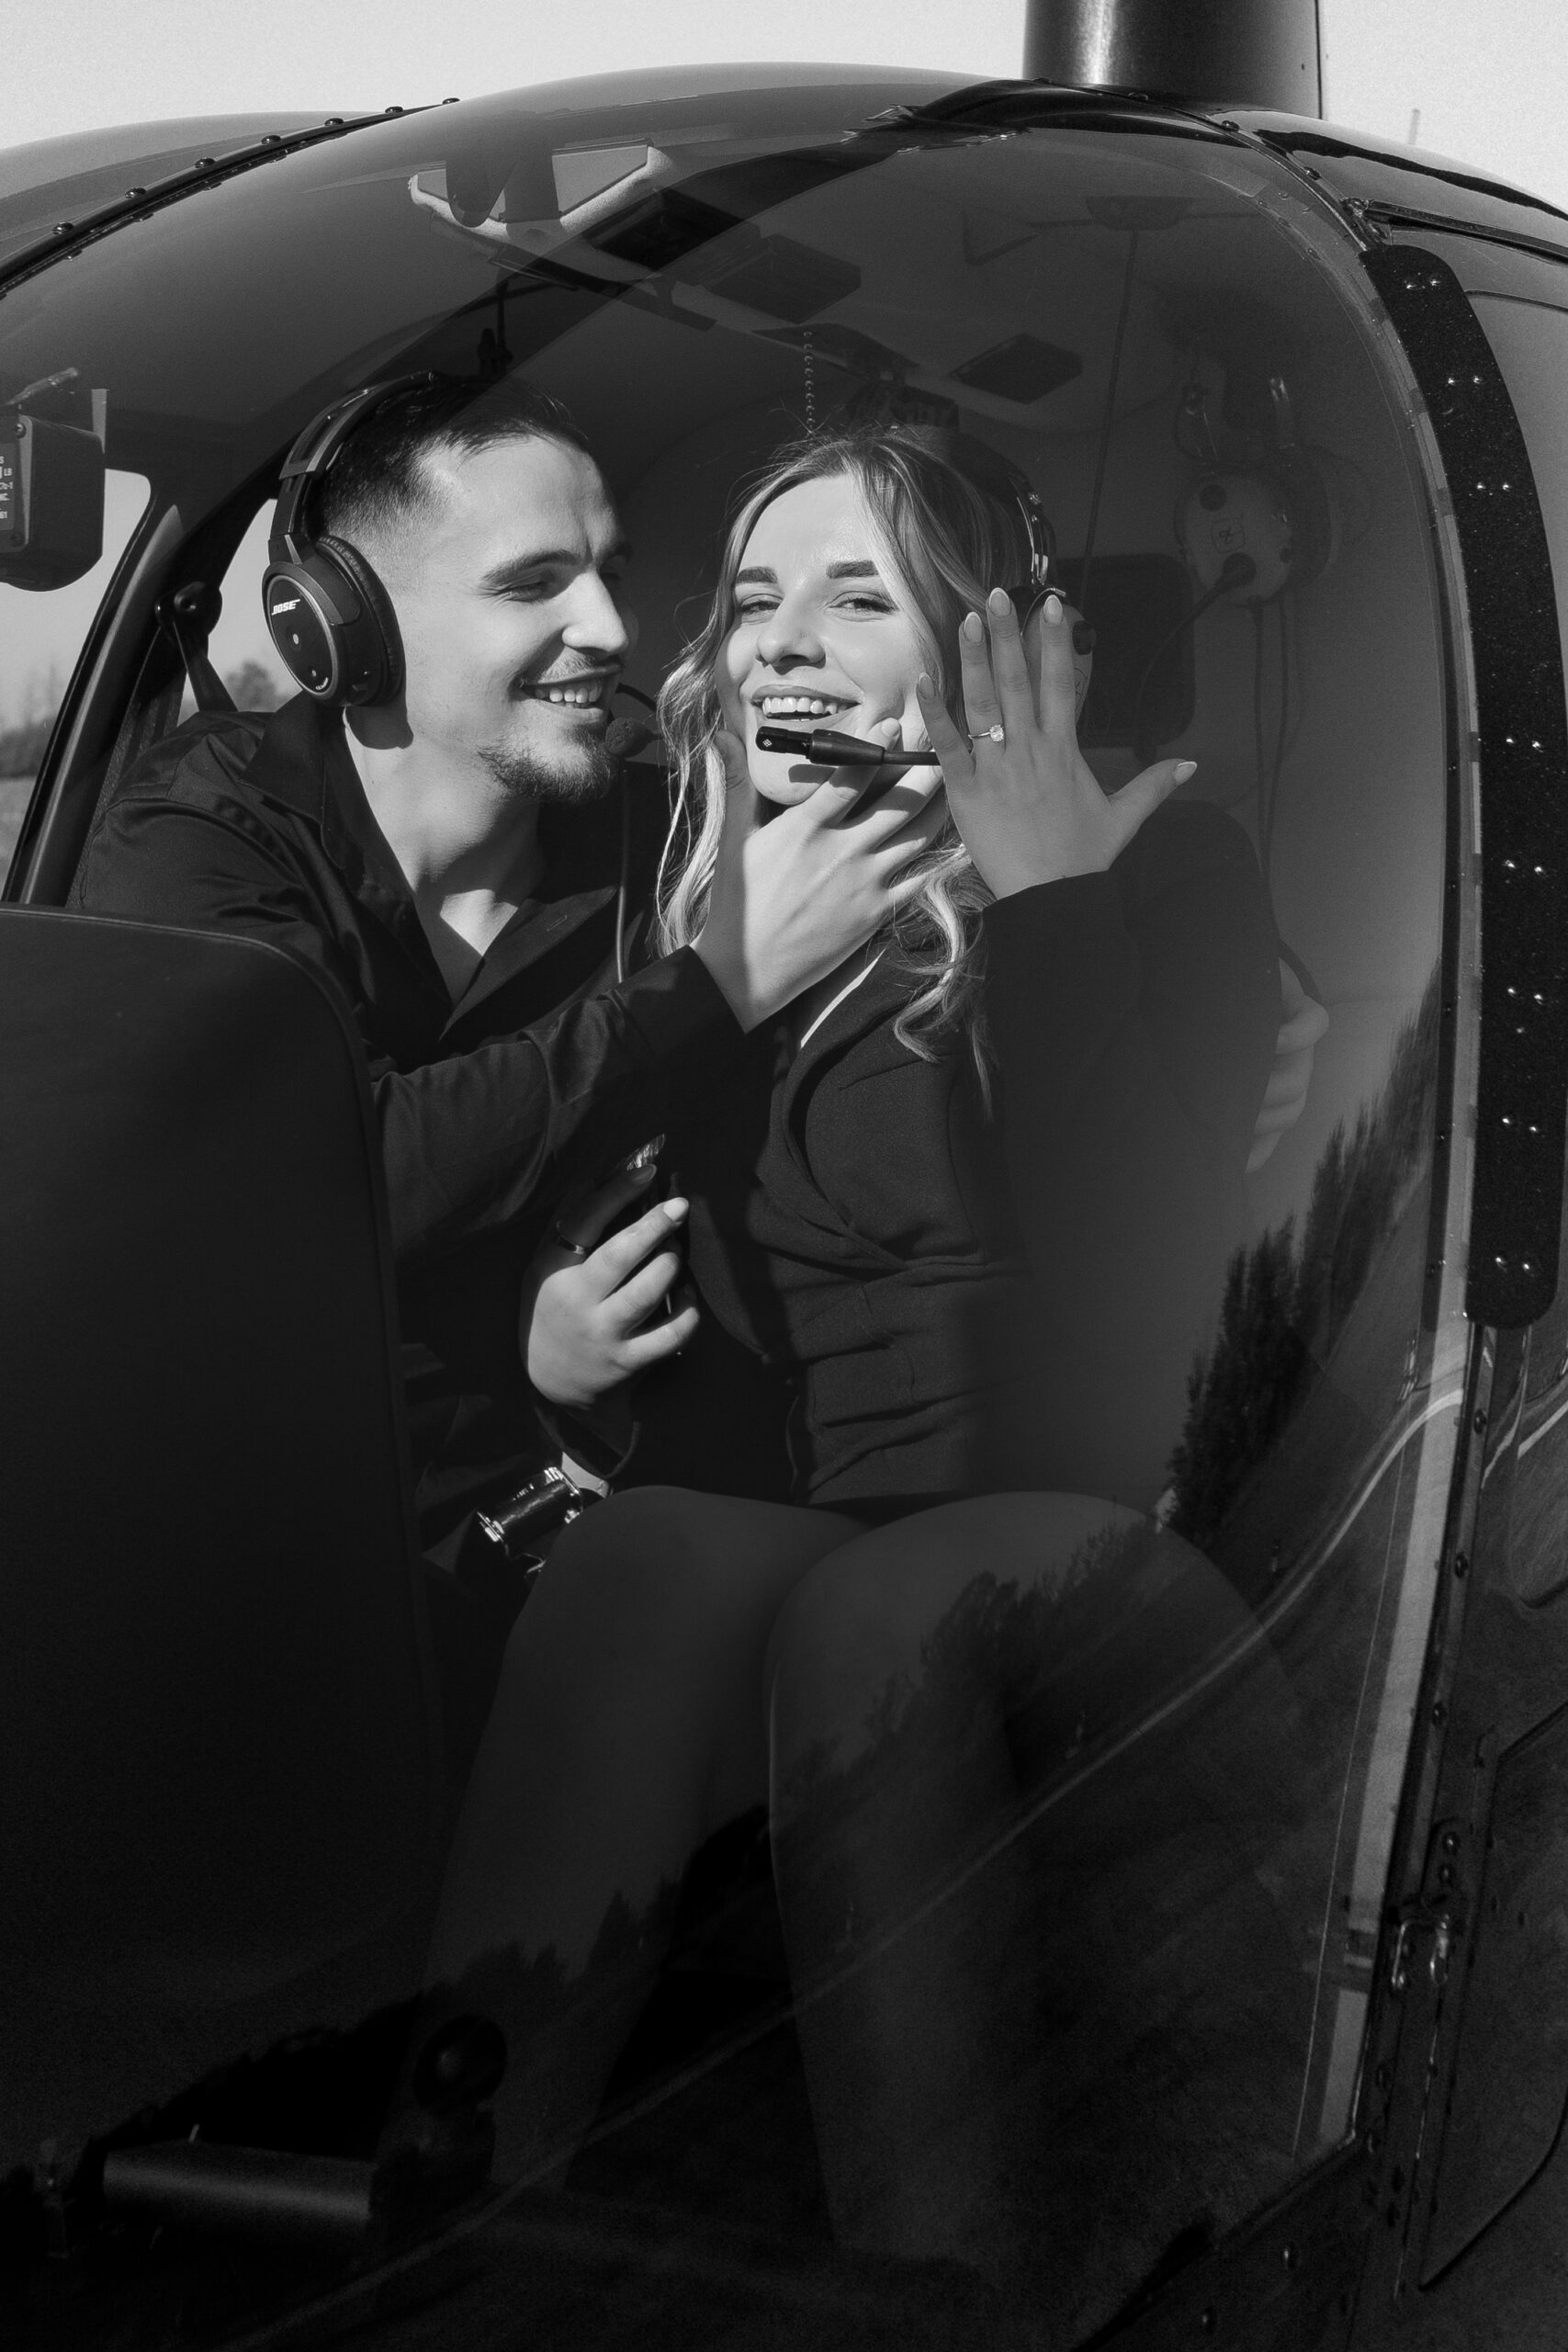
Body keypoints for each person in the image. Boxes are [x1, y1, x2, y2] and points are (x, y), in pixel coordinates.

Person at [412, 427, 1299, 2311]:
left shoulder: (1160, 852)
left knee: (872, 1613)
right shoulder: (713, 903)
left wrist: (1046, 893)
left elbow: (1158, 1322)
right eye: (746, 598)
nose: (778, 638)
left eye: (851, 590)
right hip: (804, 1526)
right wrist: (556, 1357)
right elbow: (680, 1356)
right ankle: (439, 2246)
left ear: (978, 638)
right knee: (639, 1560)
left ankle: (944, 2293)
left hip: (1097, 1531)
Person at [69, 379, 949, 1563]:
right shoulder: (201, 836)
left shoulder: (663, 822)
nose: (609, 628)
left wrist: (1179, 949)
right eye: (533, 584)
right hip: (248, 1539)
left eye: (609, 574)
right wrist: (715, 985)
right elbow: (307, 1181)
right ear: (341, 625)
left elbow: (901, 816)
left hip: (601, 1524)